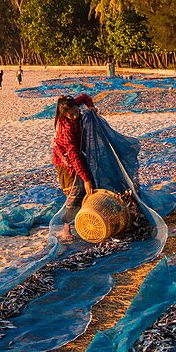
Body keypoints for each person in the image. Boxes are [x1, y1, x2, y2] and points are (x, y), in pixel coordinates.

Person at [52, 94, 97, 242]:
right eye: (70, 115)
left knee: (83, 192)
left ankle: (81, 219)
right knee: (72, 193)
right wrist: (86, 179)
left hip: (77, 154)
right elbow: (73, 156)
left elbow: (84, 96)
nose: (75, 116)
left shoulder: (72, 105)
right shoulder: (66, 127)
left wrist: (90, 106)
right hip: (65, 162)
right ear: (64, 114)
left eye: (76, 111)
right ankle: (66, 228)